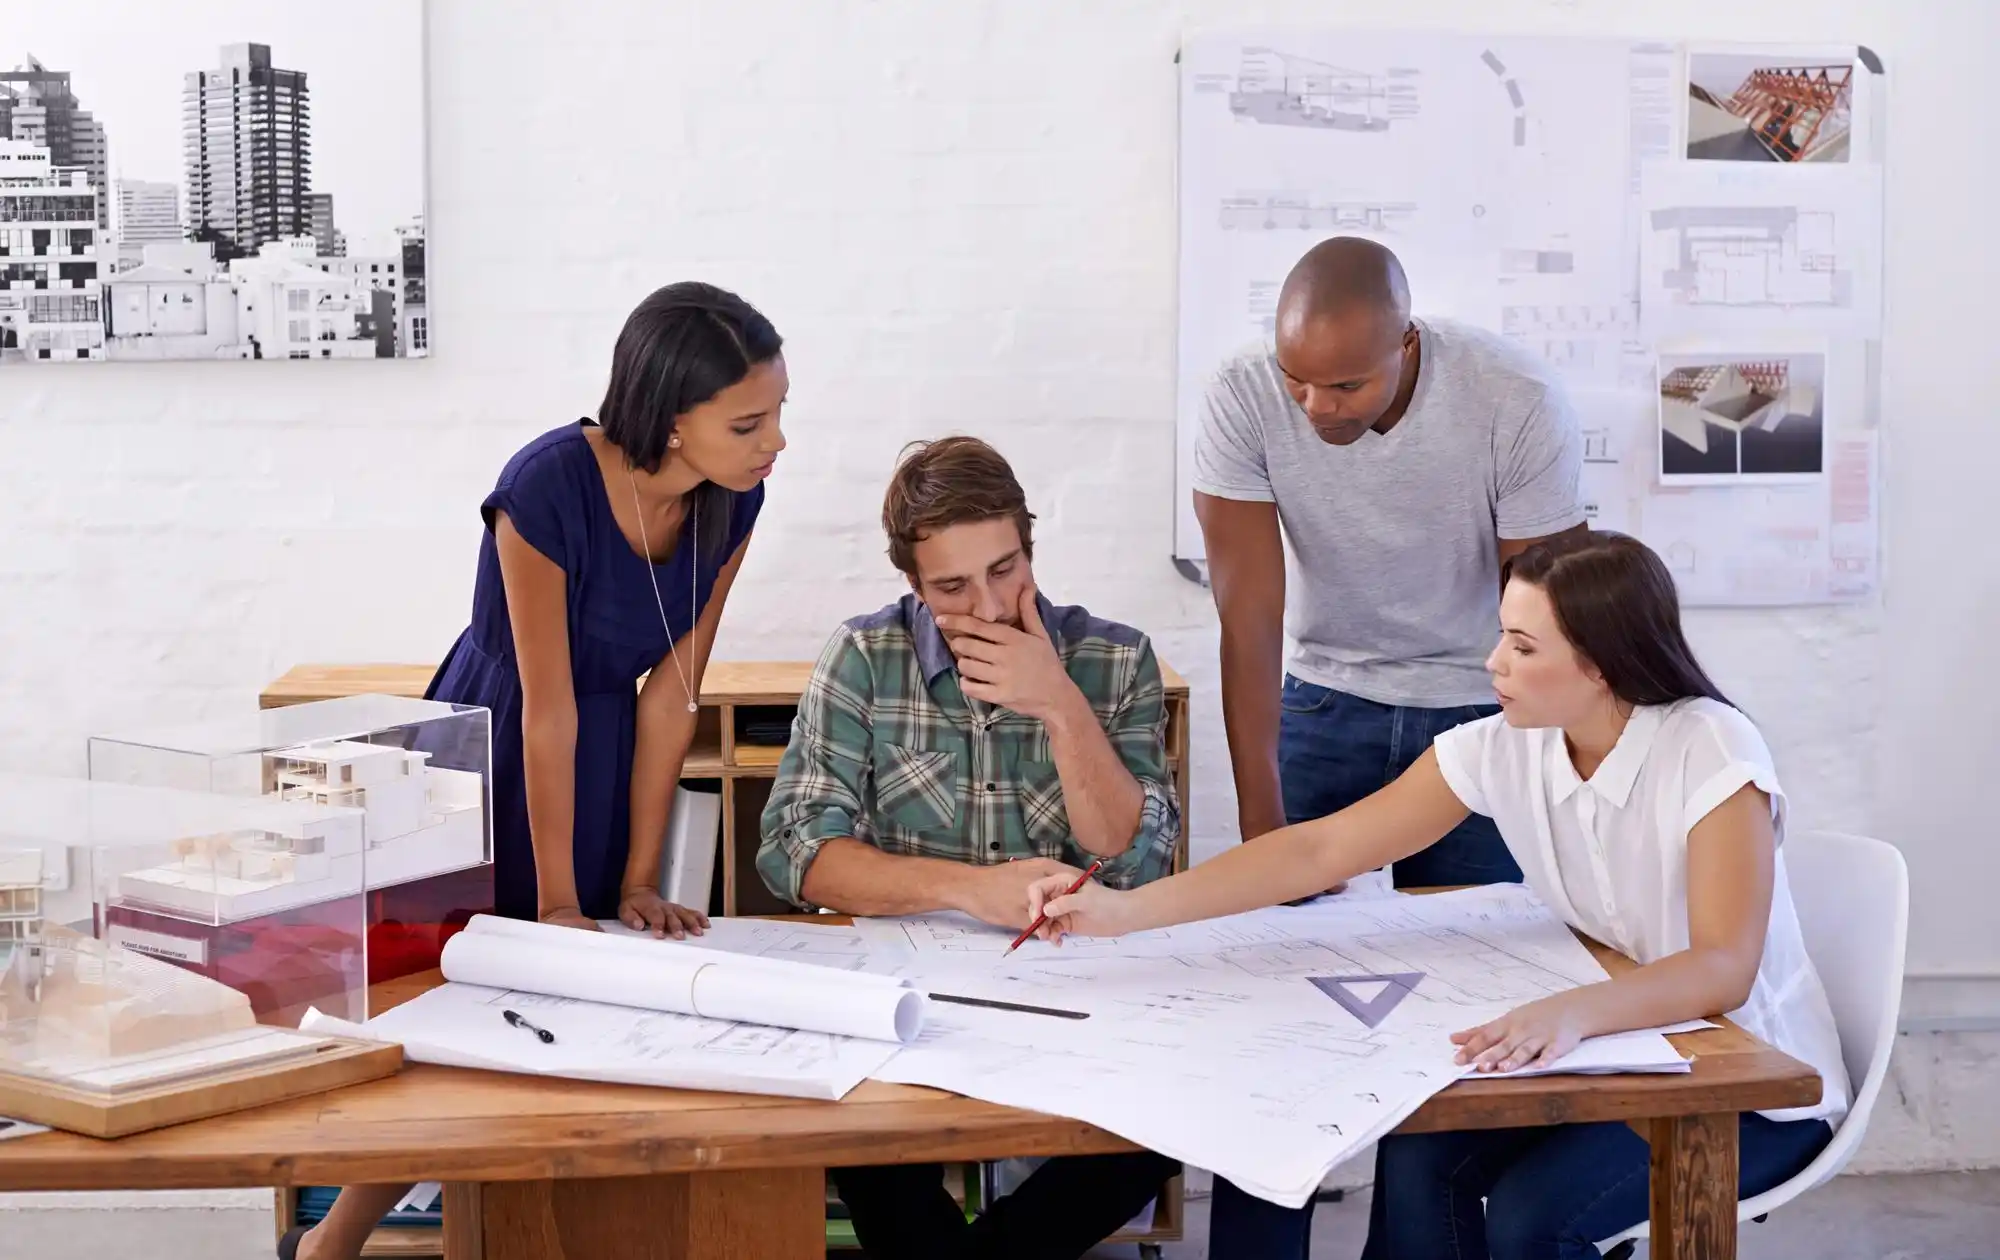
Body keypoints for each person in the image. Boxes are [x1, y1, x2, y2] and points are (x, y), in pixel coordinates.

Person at [1027, 531, 1850, 1260]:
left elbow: (1722, 968)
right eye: (1501, 635)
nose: (1495, 663)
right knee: (1420, 1152)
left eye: (1524, 647)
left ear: (1600, 664)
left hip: (1751, 1082)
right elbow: (1319, 849)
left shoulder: (1710, 748)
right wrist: (1127, 913)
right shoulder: (1506, 747)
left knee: (1533, 1218)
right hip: (1620, 1047)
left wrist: (1565, 1012)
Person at [279, 282, 785, 1260]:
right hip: (490, 742)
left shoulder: (736, 500)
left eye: (776, 414)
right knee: (466, 1010)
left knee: (566, 1019)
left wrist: (637, 880)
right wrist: (556, 905)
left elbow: (671, 693)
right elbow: (542, 706)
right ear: (673, 422)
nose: (774, 444)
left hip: (597, 753)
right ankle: (330, 1243)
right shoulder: (546, 484)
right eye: (748, 422)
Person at [756, 435, 1182, 1260]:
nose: (987, 607)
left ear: (1029, 544)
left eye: (1005, 570)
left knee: (1158, 1134)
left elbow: (1135, 860)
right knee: (861, 1137)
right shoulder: (865, 658)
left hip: (1081, 993)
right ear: (913, 586)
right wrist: (968, 888)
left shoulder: (1115, 658)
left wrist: (1058, 703)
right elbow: (794, 853)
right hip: (911, 999)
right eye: (952, 586)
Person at [1193, 235, 1588, 896]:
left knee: (1472, 952)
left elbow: (1547, 620)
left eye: (1347, 384)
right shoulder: (1242, 395)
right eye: (1298, 380)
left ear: (1406, 347)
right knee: (1284, 946)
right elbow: (1249, 616)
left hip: (1480, 706)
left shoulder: (1516, 399)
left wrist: (1562, 773)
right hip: (1326, 699)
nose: (1317, 406)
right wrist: (1261, 827)